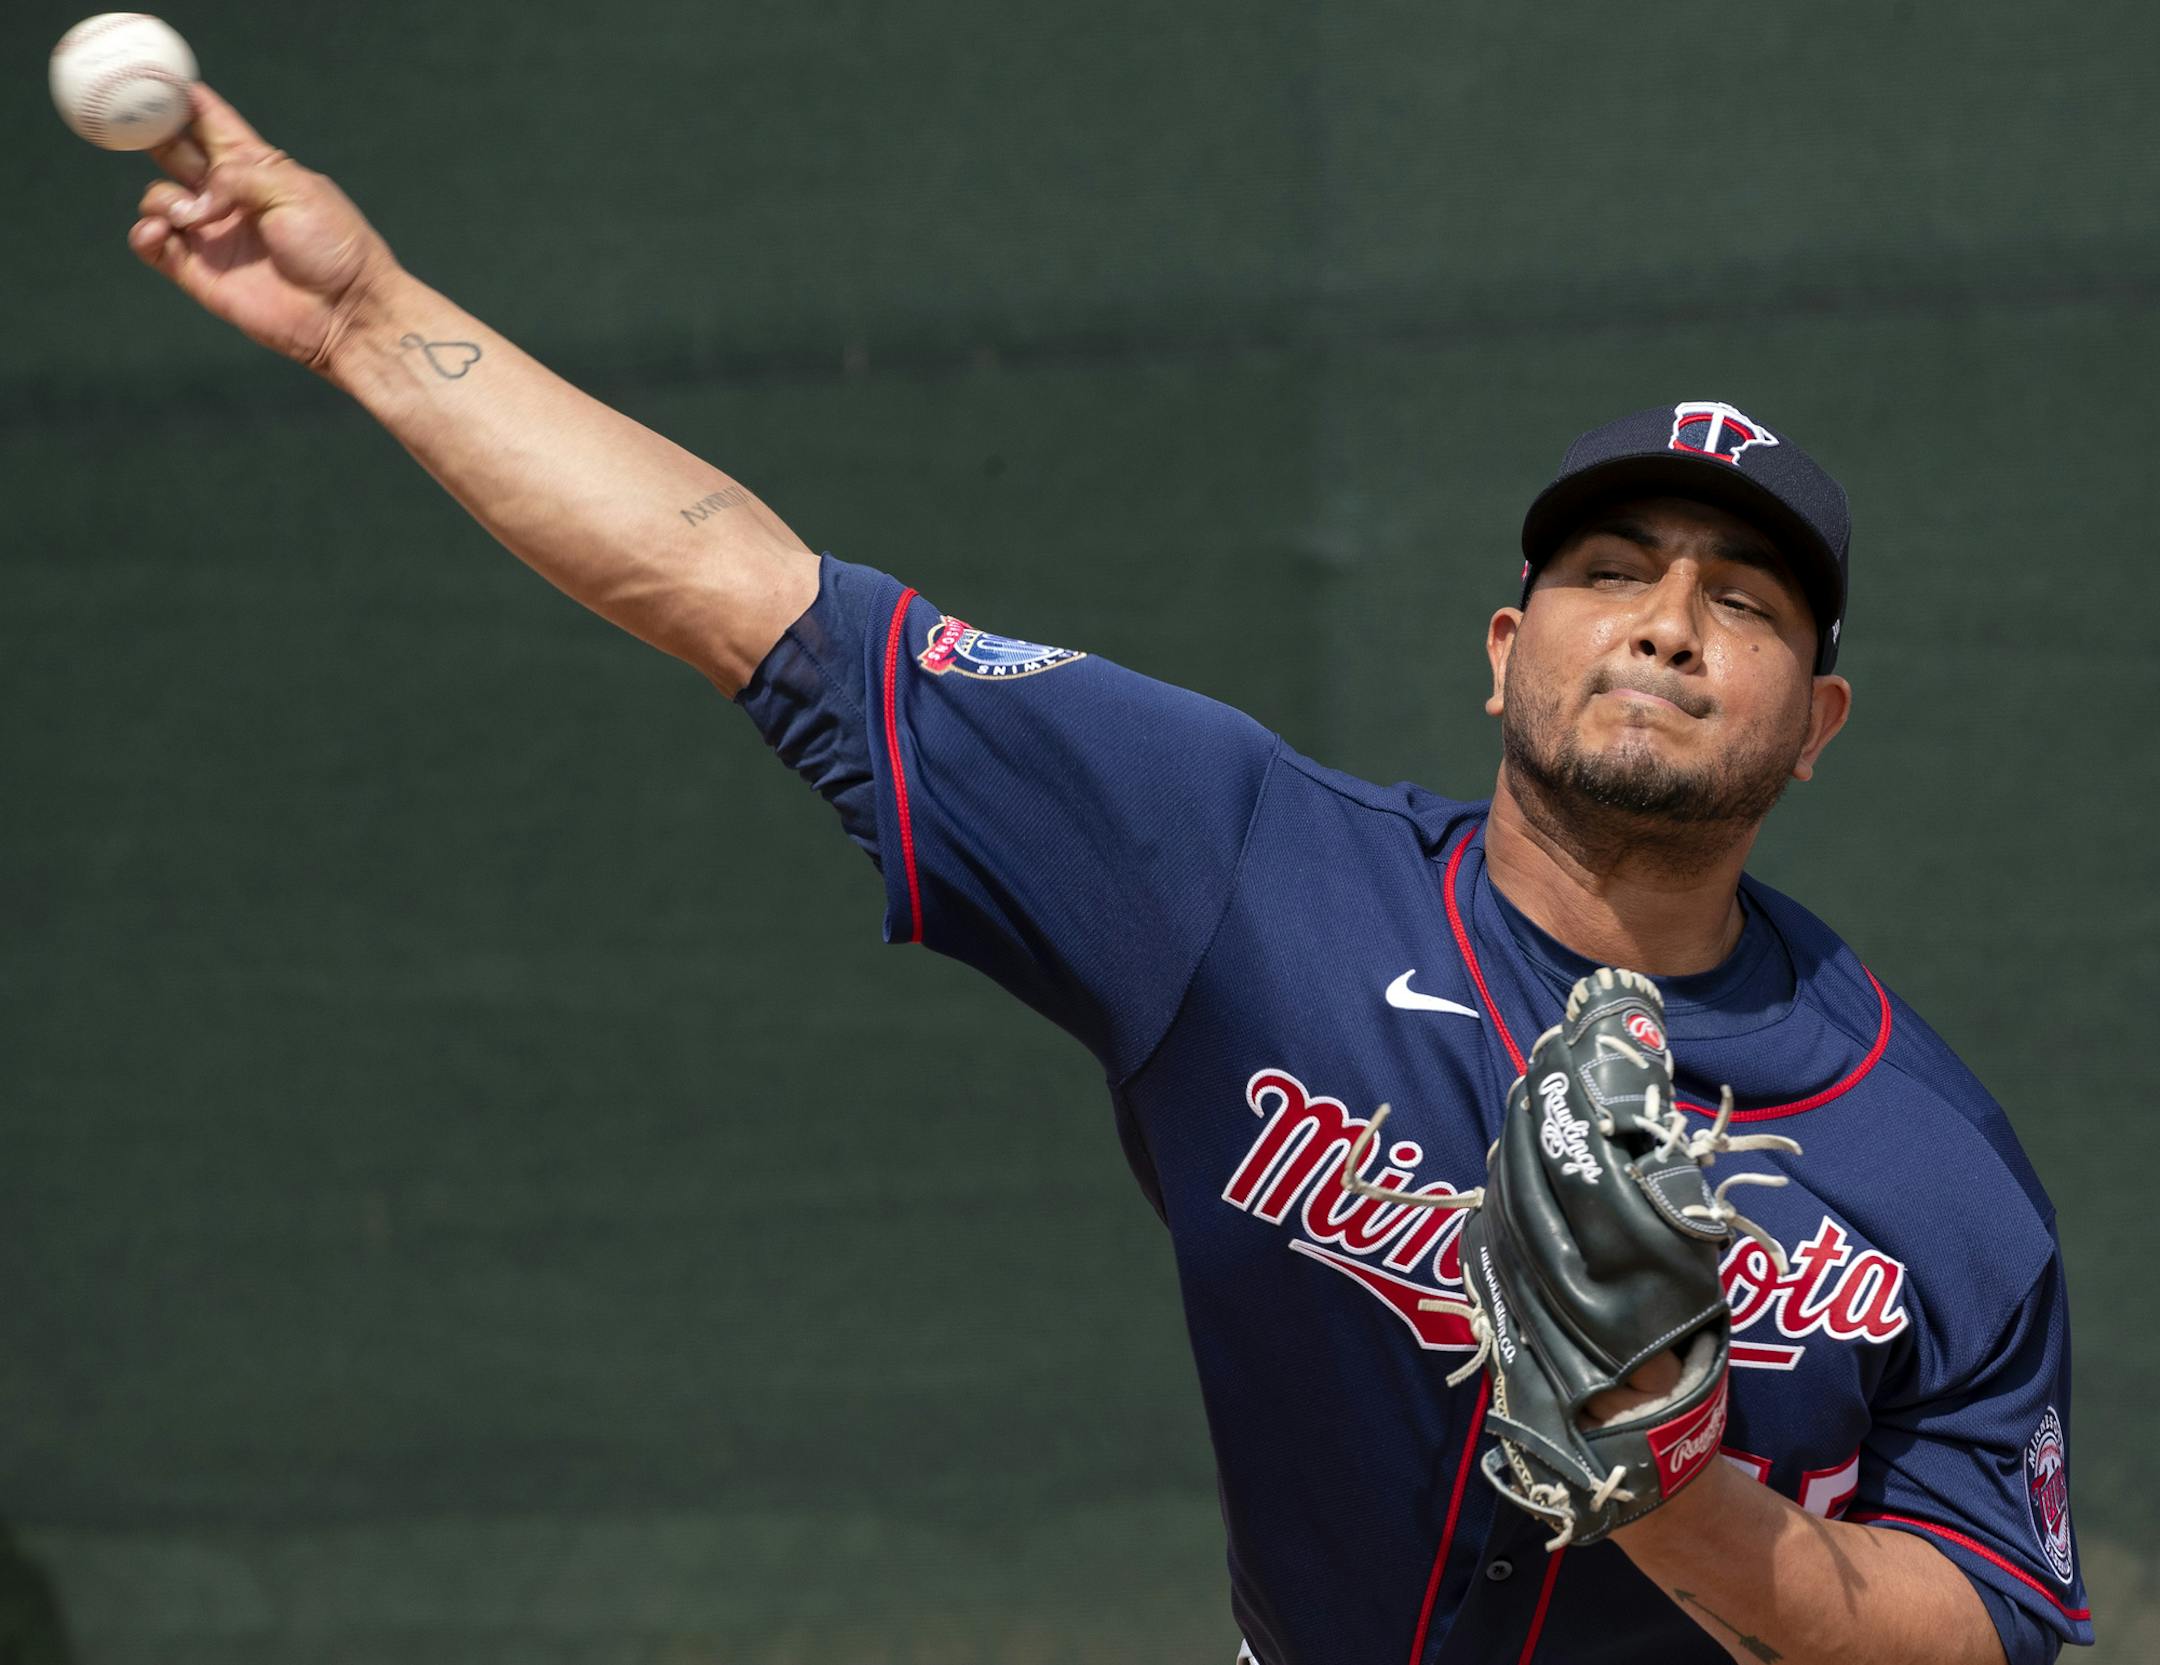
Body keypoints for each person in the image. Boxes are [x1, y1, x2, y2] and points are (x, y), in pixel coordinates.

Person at [122, 84, 2091, 1665]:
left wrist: (1676, 1485)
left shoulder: (1933, 1166)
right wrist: (369, 315)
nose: (1666, 621)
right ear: (1502, 649)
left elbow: (1979, 1619)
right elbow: (750, 594)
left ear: (1817, 719)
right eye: (1609, 572)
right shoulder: (1232, 862)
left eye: (1739, 600)